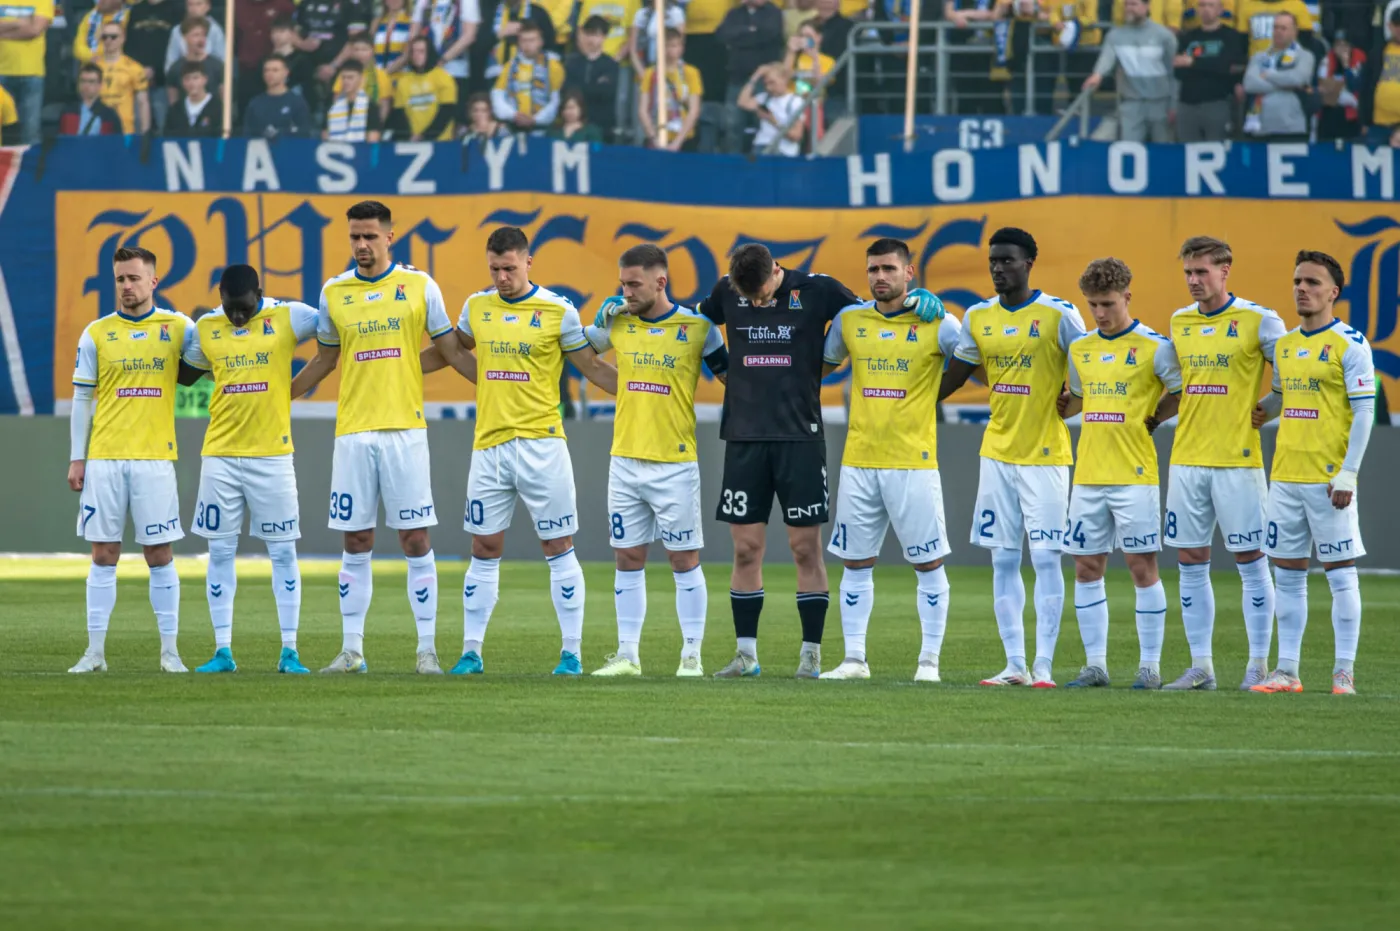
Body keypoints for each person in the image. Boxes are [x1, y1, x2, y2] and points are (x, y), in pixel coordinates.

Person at [654, 243, 940, 679]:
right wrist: (640, 309)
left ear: (776, 272)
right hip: (744, 439)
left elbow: (871, 315)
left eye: (762, 295)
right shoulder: (726, 292)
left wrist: (916, 303)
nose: (755, 303)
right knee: (746, 549)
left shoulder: (819, 290)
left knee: (804, 548)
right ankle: (746, 655)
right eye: (746, 299)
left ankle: (811, 655)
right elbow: (690, 323)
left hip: (800, 439)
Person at [420, 226, 617, 676]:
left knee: (558, 545)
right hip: (489, 445)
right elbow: (452, 351)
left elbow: (592, 366)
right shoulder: (476, 307)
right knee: (484, 546)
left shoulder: (558, 311)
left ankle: (571, 653)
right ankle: (471, 652)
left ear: (529, 263)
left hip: (542, 445)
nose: (502, 277)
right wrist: (397, 368)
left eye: (509, 268)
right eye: (494, 269)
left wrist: (638, 393)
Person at [290, 200, 476, 675]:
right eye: (355, 236)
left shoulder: (419, 285)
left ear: (390, 236)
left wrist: (495, 383)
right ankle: (352, 651)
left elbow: (450, 350)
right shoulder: (334, 292)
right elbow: (326, 358)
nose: (362, 245)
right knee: (356, 538)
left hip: (404, 432)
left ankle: (427, 650)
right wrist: (282, 395)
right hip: (353, 432)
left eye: (370, 235)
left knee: (415, 538)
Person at [936, 228, 1087, 688]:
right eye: (993, 262)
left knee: (1045, 559)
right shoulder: (978, 316)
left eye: (1007, 261)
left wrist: (1077, 398)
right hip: (997, 454)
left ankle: (1043, 665)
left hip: (1045, 457)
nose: (998, 268)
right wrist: (910, 405)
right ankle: (1015, 665)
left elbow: (1091, 364)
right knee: (1003, 561)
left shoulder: (1060, 314)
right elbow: (956, 374)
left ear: (1029, 264)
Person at [817, 239, 962, 683]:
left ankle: (929, 663)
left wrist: (954, 328)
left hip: (912, 464)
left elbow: (978, 363)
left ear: (909, 272)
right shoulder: (849, 320)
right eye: (873, 269)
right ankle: (854, 660)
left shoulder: (940, 322)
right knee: (856, 563)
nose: (880, 277)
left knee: (928, 564)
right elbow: (817, 368)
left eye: (888, 269)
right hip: (859, 462)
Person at [582, 245, 729, 677]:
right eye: (622, 283)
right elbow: (581, 357)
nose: (625, 292)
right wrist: (596, 327)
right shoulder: (619, 323)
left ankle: (691, 656)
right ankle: (628, 654)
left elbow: (732, 378)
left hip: (674, 463)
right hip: (624, 460)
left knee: (684, 560)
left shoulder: (699, 327)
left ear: (660, 282)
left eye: (633, 284)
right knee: (627, 558)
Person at [177, 267, 319, 675]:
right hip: (220, 456)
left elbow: (336, 329)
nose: (237, 317)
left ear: (261, 293)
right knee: (219, 552)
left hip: (272, 457)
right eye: (230, 308)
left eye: (245, 308)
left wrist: (292, 386)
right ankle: (223, 651)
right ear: (218, 295)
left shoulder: (291, 316)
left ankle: (289, 651)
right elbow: (185, 374)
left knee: (283, 552)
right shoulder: (207, 327)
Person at [1160, 236, 1285, 692]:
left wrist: (1272, 404)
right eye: (1188, 273)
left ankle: (1257, 664)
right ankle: (1202, 667)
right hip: (1187, 459)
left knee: (1251, 561)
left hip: (1237, 461)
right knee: (1191, 560)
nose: (1194, 281)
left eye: (1202, 272)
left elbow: (1291, 369)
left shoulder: (1259, 320)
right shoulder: (1179, 321)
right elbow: (1176, 381)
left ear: (1225, 270)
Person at [1054, 259, 1181, 690]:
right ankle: (1096, 666)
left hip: (1135, 474)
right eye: (1093, 305)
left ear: (1127, 295)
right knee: (1087, 567)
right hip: (1088, 473)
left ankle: (1149, 668)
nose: (1100, 313)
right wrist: (1062, 404)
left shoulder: (1155, 346)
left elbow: (1181, 391)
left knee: (1142, 567)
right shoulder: (1082, 349)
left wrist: (1155, 417)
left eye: (1107, 303)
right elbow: (1078, 398)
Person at [1251, 251, 1373, 696]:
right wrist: (1256, 411)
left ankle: (1344, 672)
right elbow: (1282, 397)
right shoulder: (1284, 345)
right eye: (1297, 280)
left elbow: (1364, 412)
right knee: (1288, 576)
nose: (1302, 288)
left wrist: (1348, 474)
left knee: (1340, 574)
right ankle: (1287, 671)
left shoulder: (1350, 344)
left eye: (1312, 282)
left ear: (1333, 293)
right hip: (1284, 476)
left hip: (1328, 481)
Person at [67, 247, 193, 675]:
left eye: (134, 278)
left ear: (154, 281)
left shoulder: (179, 328)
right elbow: (83, 397)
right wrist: (77, 458)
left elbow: (217, 351)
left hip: (155, 460)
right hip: (104, 459)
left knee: (159, 553)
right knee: (103, 553)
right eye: (120, 279)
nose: (126, 286)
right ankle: (95, 653)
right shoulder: (97, 333)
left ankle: (170, 653)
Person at [1083, 0, 1180, 141]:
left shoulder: (1164, 36)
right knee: (1130, 150)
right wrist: (1097, 75)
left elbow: (1174, 74)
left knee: (1163, 151)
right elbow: (1106, 60)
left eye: (1134, 4)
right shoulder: (1115, 36)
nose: (1129, 8)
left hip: (1160, 104)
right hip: (1131, 104)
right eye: (1127, 4)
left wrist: (1173, 105)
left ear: (1147, 6)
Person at [1174, 0, 1249, 140]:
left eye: (1210, 5)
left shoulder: (1231, 36)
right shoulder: (1187, 37)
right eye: (1202, 5)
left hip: (1217, 101)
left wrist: (1192, 63)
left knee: (1218, 148)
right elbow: (1178, 70)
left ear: (1220, 9)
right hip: (1187, 103)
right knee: (1187, 152)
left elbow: (1228, 68)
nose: (1206, 9)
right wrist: (1210, 65)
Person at [718, 0, 786, 152]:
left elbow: (769, 34)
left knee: (763, 123)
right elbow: (722, 35)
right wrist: (752, 30)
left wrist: (740, 37)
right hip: (737, 77)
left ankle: (762, 160)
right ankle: (733, 163)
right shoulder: (734, 13)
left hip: (765, 81)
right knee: (732, 124)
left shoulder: (773, 12)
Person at [1242, 11, 1316, 139]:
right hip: (1260, 127)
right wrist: (1284, 85)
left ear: (1294, 31)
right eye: (1275, 27)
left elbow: (1297, 79)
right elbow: (1249, 84)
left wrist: (1269, 75)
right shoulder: (1259, 57)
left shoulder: (1304, 56)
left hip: (1291, 127)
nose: (1278, 31)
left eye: (1283, 28)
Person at [491, 20, 565, 134]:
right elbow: (497, 96)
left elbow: (556, 100)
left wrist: (535, 120)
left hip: (542, 129)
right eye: (524, 40)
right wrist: (513, 115)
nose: (527, 44)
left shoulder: (553, 66)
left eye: (532, 40)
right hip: (513, 126)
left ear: (541, 42)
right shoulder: (509, 66)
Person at [638, 28, 703, 149]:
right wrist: (654, 138)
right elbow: (642, 110)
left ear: (681, 48)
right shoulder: (650, 73)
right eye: (667, 46)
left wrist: (678, 142)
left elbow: (694, 110)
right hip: (657, 134)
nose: (671, 50)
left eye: (675, 45)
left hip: (684, 137)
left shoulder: (690, 72)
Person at [0, 0, 50, 145]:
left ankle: (31, 168)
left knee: (31, 132)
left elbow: (34, 30)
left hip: (32, 73)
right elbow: (29, 28)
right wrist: (19, 23)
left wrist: (3, 31)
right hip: (1, 71)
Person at [564, 15, 621, 141]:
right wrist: (594, 86)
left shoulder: (611, 65)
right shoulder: (573, 63)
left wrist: (581, 90)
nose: (591, 39)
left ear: (604, 37)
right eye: (588, 34)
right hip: (576, 126)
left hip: (602, 126)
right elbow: (567, 90)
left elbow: (607, 93)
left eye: (596, 35)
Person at [126, 0, 181, 131]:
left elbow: (176, 47)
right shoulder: (136, 10)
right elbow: (128, 45)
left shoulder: (176, 9)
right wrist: (138, 70)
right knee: (138, 127)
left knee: (164, 126)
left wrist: (157, 69)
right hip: (137, 80)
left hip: (164, 81)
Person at [390, 35, 459, 140]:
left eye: (421, 51)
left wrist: (425, 136)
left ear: (429, 52)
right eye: (413, 52)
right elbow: (399, 113)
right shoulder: (403, 81)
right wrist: (409, 135)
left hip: (440, 141)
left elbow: (446, 112)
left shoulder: (444, 77)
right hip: (411, 141)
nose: (416, 55)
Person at [413, 0, 482, 102]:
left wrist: (442, 60)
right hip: (425, 71)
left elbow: (469, 36)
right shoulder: (423, 1)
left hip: (455, 71)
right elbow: (413, 35)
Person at [95, 22, 152, 135]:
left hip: (125, 130)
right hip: (97, 129)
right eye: (104, 37)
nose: (108, 41)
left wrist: (145, 133)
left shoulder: (134, 68)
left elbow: (143, 102)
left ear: (123, 38)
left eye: (113, 37)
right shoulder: (94, 67)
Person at [740, 63, 807, 155]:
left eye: (772, 83)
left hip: (782, 150)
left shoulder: (795, 101)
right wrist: (756, 76)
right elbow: (742, 102)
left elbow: (796, 136)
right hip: (760, 145)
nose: (769, 88)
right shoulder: (765, 97)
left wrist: (772, 121)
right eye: (766, 84)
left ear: (784, 79)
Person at [243, 54, 316, 138]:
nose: (269, 74)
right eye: (266, 70)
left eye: (275, 70)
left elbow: (304, 132)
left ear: (286, 72)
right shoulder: (255, 103)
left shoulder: (297, 103)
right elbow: (248, 135)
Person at [332, 34, 395, 124]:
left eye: (364, 49)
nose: (360, 54)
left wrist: (378, 125)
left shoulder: (381, 74)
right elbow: (337, 98)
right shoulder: (344, 73)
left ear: (372, 51)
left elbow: (384, 105)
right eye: (356, 50)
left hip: (371, 121)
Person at [1317, 29, 1367, 140]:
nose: (1341, 49)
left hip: (1352, 115)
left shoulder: (1359, 57)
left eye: (1345, 45)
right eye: (1338, 45)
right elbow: (1324, 87)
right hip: (1331, 112)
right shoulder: (1327, 59)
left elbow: (1355, 85)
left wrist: (1346, 66)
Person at [1360, 9, 1400, 139]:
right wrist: (1364, 122)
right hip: (1378, 125)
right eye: (1397, 25)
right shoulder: (1377, 52)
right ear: (1390, 26)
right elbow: (1365, 86)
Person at [165, 18, 223, 106]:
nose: (201, 40)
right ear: (184, 37)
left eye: (203, 35)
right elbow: (173, 103)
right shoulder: (175, 69)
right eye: (196, 35)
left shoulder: (217, 66)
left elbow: (224, 102)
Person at [324, 59, 382, 141]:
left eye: (350, 78)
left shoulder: (370, 106)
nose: (346, 81)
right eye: (343, 78)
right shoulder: (332, 106)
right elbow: (325, 135)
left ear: (361, 79)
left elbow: (373, 138)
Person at [163, 0, 227, 73]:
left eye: (198, 4)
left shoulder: (216, 31)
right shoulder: (177, 31)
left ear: (207, 6)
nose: (194, 8)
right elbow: (170, 64)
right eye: (190, 5)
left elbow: (223, 62)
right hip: (182, 76)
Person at [60, 63, 125, 135]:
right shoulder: (68, 111)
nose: (86, 85)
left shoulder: (109, 115)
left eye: (91, 81)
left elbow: (117, 143)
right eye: (83, 81)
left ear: (100, 85)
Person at [1235, 0, 1314, 58]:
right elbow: (1241, 41)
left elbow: (1306, 40)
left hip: (1290, 64)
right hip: (1256, 65)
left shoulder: (1297, 5)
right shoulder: (1246, 5)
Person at [163, 58, 223, 134]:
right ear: (182, 82)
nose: (191, 83)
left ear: (204, 79)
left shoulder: (218, 108)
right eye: (187, 79)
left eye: (195, 78)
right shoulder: (175, 110)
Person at [72, 0, 129, 65]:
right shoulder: (89, 16)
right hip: (91, 68)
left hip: (118, 68)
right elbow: (77, 46)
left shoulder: (127, 17)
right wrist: (90, 56)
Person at [373, 0, 417, 71]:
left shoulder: (412, 21)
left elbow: (408, 54)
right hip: (378, 74)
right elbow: (370, 49)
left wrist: (385, 73)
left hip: (402, 75)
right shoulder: (377, 22)